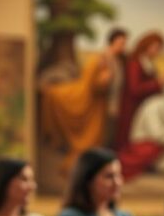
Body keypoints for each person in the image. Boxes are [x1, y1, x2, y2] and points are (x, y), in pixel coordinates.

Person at [39, 45, 117, 175]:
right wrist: (104, 80)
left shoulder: (108, 63)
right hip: (93, 109)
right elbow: (92, 85)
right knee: (88, 143)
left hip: (98, 109)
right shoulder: (96, 62)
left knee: (94, 143)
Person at [115, 31, 164, 151]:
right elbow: (135, 89)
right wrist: (158, 83)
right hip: (133, 107)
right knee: (128, 138)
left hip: (142, 106)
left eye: (160, 48)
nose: (158, 52)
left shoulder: (148, 63)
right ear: (146, 46)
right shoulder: (135, 63)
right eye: (156, 48)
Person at [103, 28, 129, 146]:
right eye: (121, 43)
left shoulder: (120, 59)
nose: (123, 46)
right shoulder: (104, 57)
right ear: (112, 42)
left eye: (124, 43)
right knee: (107, 132)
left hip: (116, 101)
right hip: (105, 103)